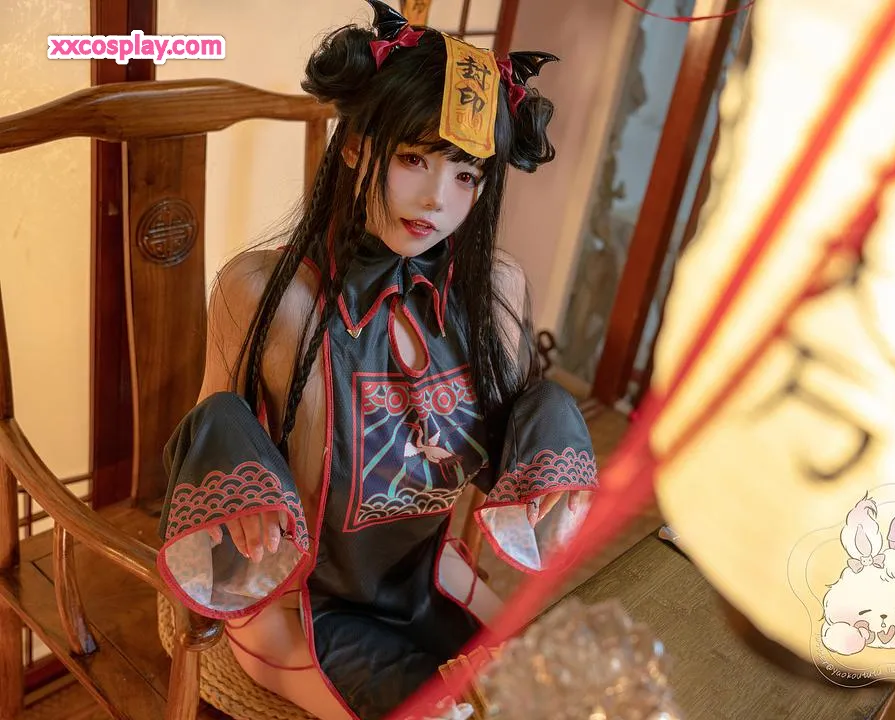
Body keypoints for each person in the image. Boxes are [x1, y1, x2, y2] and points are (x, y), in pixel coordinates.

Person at [154, 3, 599, 718]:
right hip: (298, 604)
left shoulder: (493, 292)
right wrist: (237, 488)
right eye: (413, 159)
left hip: (424, 578)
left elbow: (499, 461)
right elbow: (211, 430)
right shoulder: (266, 294)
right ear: (358, 147)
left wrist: (548, 430)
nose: (436, 200)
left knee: (556, 695)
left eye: (465, 175)